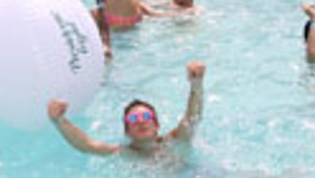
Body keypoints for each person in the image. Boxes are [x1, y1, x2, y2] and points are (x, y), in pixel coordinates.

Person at [47, 61, 205, 157]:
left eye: (146, 116)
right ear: (127, 132)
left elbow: (192, 117)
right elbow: (87, 145)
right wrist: (59, 121)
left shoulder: (174, 141)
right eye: (134, 119)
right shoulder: (124, 153)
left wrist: (196, 84)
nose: (141, 121)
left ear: (157, 125)